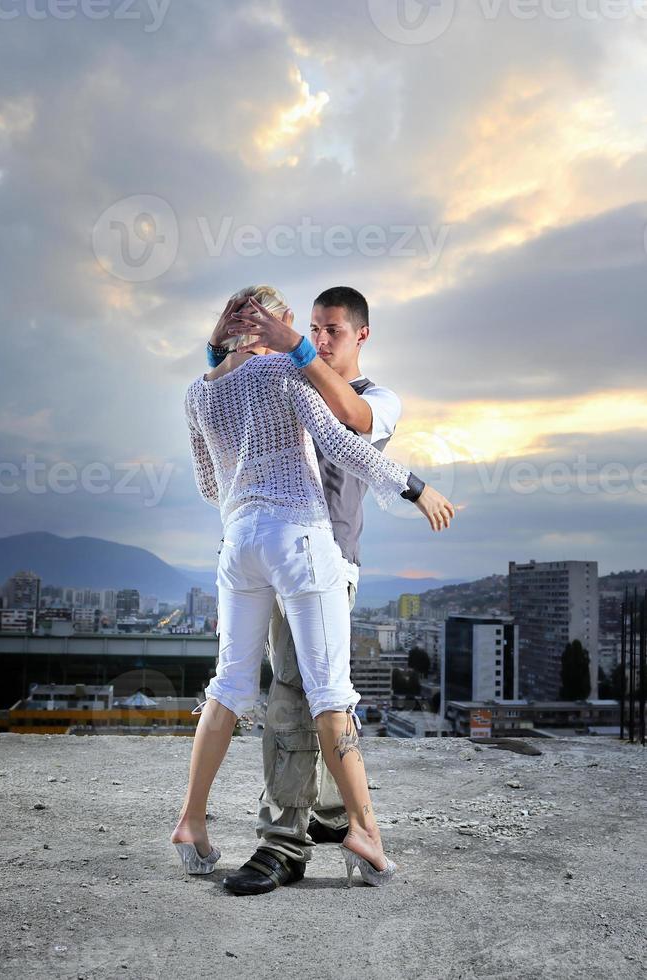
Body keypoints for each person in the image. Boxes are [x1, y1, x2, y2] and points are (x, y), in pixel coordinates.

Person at [171, 284, 455, 889]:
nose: (320, 341)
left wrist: (226, 362)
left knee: (266, 691)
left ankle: (226, 823)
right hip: (299, 546)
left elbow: (350, 423)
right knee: (315, 695)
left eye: (333, 332)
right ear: (283, 325)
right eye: (312, 329)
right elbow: (343, 448)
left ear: (361, 336)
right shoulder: (289, 377)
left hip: (263, 548)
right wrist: (415, 488)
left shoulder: (367, 394)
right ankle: (321, 833)